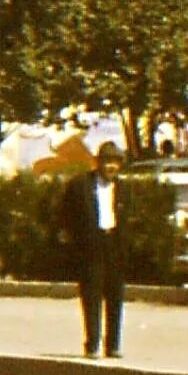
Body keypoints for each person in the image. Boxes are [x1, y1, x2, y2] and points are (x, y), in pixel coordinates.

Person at [61, 143, 127, 358]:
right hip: (91, 244)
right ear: (98, 163)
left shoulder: (123, 188)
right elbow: (65, 214)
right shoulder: (81, 185)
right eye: (107, 162)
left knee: (115, 296)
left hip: (114, 242)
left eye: (115, 163)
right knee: (91, 296)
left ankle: (114, 344)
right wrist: (75, 240)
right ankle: (92, 345)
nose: (111, 167)